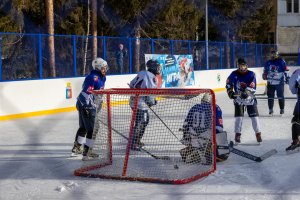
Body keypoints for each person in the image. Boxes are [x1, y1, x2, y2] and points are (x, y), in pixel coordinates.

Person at [71, 57, 108, 160]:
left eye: (106, 67)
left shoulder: (102, 77)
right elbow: (86, 93)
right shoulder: (93, 77)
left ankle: (77, 147)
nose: (106, 69)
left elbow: (97, 93)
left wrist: (98, 103)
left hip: (89, 105)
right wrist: (88, 106)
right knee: (93, 129)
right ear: (98, 68)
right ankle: (87, 151)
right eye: (103, 67)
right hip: (86, 105)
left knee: (84, 127)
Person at [179, 93, 230, 164]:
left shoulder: (195, 106)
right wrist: (220, 143)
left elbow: (186, 124)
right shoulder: (215, 107)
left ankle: (194, 151)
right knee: (221, 136)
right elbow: (219, 127)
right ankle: (208, 153)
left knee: (197, 142)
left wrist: (186, 135)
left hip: (193, 137)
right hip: (206, 137)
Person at [226, 58, 262, 144]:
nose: (242, 68)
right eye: (240, 66)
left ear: (246, 66)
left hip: (250, 99)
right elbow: (228, 84)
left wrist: (247, 92)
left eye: (244, 66)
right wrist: (230, 92)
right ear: (238, 66)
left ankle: (258, 134)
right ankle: (237, 135)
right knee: (239, 118)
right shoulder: (233, 74)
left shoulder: (251, 74)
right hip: (238, 99)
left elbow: (253, 86)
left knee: (255, 117)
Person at [128, 59, 161, 150]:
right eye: (157, 67)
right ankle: (133, 142)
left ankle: (136, 140)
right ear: (153, 67)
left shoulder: (142, 73)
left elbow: (131, 84)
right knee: (142, 121)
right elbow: (150, 93)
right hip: (140, 103)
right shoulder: (153, 78)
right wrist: (152, 101)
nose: (158, 69)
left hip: (133, 100)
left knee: (144, 120)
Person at [262, 50, 289, 115]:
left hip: (279, 82)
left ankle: (282, 109)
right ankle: (270, 109)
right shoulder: (268, 62)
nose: (272, 56)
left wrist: (287, 77)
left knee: (280, 96)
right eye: (271, 55)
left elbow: (286, 70)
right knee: (270, 96)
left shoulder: (281, 61)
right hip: (270, 82)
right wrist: (264, 75)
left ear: (277, 55)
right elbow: (265, 71)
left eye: (274, 55)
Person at [286, 69, 300, 151]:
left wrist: (295, 90)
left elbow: (292, 84)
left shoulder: (298, 72)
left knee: (296, 119)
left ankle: (296, 140)